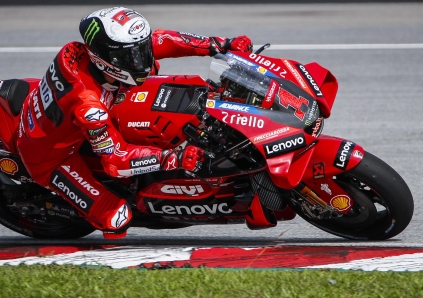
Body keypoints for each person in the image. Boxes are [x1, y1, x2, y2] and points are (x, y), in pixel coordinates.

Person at [16, 7, 253, 239]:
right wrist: (174, 159)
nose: (143, 58)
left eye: (141, 48)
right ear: (105, 57)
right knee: (117, 219)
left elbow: (163, 40)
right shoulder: (88, 106)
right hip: (52, 156)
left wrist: (221, 45)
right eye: (133, 54)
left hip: (72, 114)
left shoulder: (98, 58)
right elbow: (115, 161)